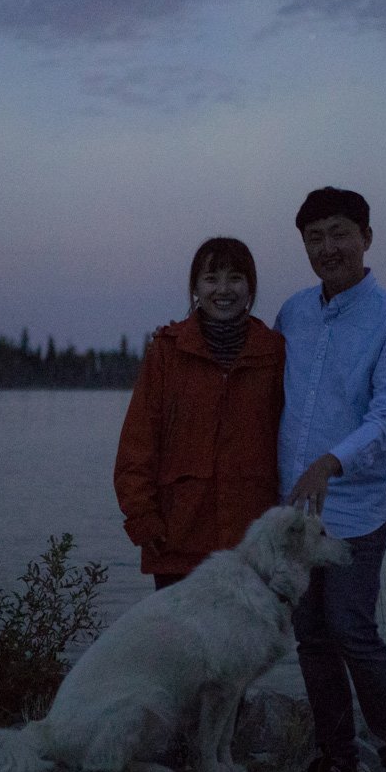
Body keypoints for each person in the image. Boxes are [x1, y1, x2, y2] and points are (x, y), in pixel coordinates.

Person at [275, 187, 386, 772]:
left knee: (349, 625)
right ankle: (336, 754)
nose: (327, 248)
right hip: (293, 507)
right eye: (314, 237)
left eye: (339, 233)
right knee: (309, 633)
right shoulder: (293, 312)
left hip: (357, 504)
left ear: (367, 237)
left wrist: (329, 464)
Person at [114, 237, 284, 589]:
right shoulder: (167, 351)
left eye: (235, 278)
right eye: (211, 279)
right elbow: (137, 444)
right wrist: (142, 518)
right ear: (195, 288)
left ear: (251, 285)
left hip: (254, 545)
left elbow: (296, 437)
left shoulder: (275, 353)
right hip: (179, 542)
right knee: (183, 644)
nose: (223, 290)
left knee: (250, 643)